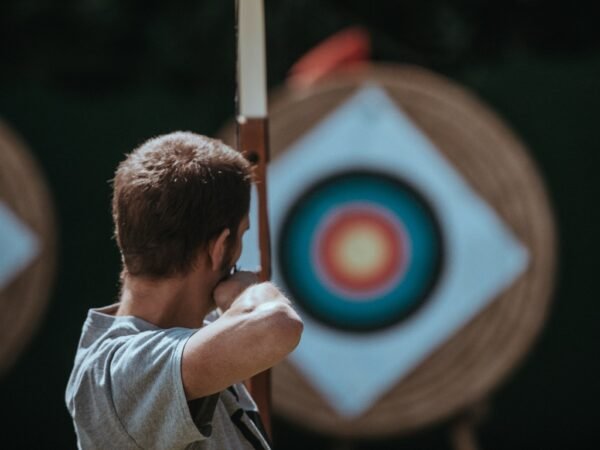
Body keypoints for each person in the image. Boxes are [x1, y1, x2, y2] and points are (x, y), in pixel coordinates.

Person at [65, 131, 303, 450]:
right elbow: (277, 327)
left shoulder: (190, 345)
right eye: (242, 233)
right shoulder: (120, 371)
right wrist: (245, 295)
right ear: (219, 248)